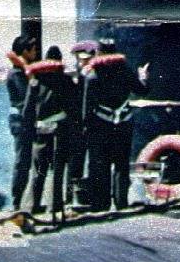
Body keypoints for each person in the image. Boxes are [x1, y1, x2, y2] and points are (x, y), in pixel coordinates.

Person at [82, 37, 149, 210]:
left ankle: (101, 205)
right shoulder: (125, 70)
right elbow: (142, 90)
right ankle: (121, 202)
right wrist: (143, 77)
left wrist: (85, 128)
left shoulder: (92, 75)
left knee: (100, 165)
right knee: (121, 164)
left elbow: (87, 107)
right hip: (123, 123)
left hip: (100, 125)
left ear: (98, 52)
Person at [20, 46, 75, 218]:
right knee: (57, 170)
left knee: (38, 171)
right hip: (60, 130)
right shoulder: (66, 80)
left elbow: (27, 109)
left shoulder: (36, 81)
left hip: (40, 130)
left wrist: (28, 130)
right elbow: (73, 108)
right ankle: (54, 207)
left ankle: (31, 207)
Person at [5, 33, 38, 209]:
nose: (36, 52)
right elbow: (27, 96)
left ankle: (28, 200)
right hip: (21, 121)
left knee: (30, 160)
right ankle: (17, 201)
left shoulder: (23, 71)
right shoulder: (17, 74)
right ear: (25, 51)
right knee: (23, 161)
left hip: (26, 121)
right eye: (33, 49)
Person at [67, 40, 96, 207]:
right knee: (76, 163)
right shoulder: (79, 77)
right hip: (79, 125)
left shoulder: (88, 76)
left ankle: (81, 196)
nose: (80, 63)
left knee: (86, 162)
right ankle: (72, 197)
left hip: (87, 124)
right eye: (80, 59)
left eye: (83, 59)